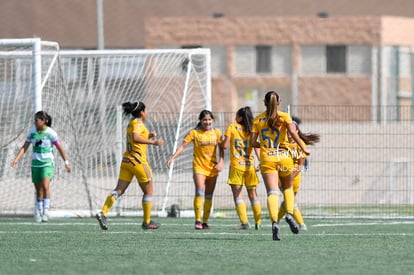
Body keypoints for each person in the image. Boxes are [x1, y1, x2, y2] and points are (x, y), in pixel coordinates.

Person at [250, 91, 310, 241]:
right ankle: (289, 214)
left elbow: (252, 143)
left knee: (272, 192)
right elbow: (294, 134)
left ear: (264, 102)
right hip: (284, 157)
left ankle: (274, 223)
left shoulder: (257, 120)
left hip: (267, 158)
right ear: (279, 102)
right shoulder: (284, 116)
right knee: (287, 188)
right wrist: (304, 148)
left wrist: (264, 145)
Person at [95, 101, 164, 230]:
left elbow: (135, 138)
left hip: (127, 161)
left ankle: (103, 212)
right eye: (146, 110)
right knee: (148, 191)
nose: (147, 113)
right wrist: (153, 142)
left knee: (119, 190)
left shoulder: (132, 123)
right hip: (138, 161)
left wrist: (148, 135)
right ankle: (147, 222)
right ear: (142, 112)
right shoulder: (137, 123)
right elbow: (136, 137)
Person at [167, 110, 224, 230]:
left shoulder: (217, 132)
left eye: (209, 120)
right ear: (200, 120)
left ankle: (205, 222)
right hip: (199, 167)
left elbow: (222, 149)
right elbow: (183, 146)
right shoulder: (194, 133)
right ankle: (197, 220)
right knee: (199, 191)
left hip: (212, 168)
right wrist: (172, 158)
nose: (207, 122)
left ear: (212, 120)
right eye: (204, 120)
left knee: (209, 196)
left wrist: (221, 162)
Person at [11, 111, 71, 223]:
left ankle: (46, 212)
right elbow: (24, 147)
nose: (35, 122)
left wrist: (66, 162)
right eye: (34, 120)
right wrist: (16, 159)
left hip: (47, 163)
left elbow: (59, 148)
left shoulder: (51, 133)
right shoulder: (32, 133)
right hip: (35, 164)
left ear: (44, 121)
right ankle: (39, 212)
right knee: (38, 190)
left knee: (45, 186)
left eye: (37, 120)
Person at [277, 117, 320, 231]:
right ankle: (287, 220)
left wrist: (290, 177)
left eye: (292, 130)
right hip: (283, 175)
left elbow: (300, 165)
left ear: (296, 131)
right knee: (289, 200)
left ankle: (294, 221)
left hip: (294, 177)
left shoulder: (299, 145)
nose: (289, 133)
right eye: (287, 130)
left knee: (289, 200)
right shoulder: (282, 143)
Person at [222, 106, 262, 230]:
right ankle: (258, 223)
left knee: (238, 196)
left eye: (236, 115)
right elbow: (256, 148)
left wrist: (221, 142)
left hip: (236, 167)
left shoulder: (232, 127)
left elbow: (225, 146)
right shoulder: (252, 130)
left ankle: (244, 223)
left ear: (239, 118)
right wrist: (260, 162)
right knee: (253, 195)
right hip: (250, 166)